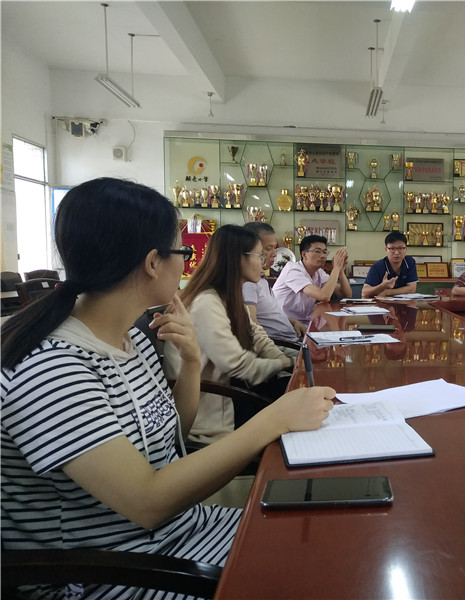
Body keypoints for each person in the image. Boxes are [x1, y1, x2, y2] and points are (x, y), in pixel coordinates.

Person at [0, 178, 334, 599]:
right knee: (316, 572)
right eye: (183, 253)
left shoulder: (131, 339)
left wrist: (192, 363)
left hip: (177, 532)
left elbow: (171, 437)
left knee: (321, 537)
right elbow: (147, 501)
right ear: (153, 263)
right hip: (113, 572)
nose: (187, 264)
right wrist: (274, 420)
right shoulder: (52, 368)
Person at [165, 225, 297, 444]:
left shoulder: (229, 295)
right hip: (212, 414)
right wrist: (290, 365)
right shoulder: (206, 302)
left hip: (232, 395)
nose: (264, 262)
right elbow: (238, 364)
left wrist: (286, 361)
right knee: (301, 408)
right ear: (238, 259)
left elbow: (257, 336)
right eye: (259, 255)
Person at [241, 221, 306, 346]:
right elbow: (252, 326)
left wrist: (292, 322)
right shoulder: (248, 283)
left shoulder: (261, 279)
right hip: (280, 344)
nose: (275, 254)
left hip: (292, 338)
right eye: (268, 249)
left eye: (274, 248)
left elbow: (268, 316)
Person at [272, 234, 352, 326]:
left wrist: (340, 271)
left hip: (304, 322)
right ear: (304, 254)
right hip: (285, 324)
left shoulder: (319, 272)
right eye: (317, 251)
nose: (323, 256)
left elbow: (346, 294)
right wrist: (336, 268)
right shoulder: (293, 271)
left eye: (325, 252)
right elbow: (324, 296)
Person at [361, 232, 419, 298]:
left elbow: (412, 289)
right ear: (386, 250)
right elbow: (364, 293)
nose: (396, 253)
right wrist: (382, 286)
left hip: (404, 302)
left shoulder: (409, 262)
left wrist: (387, 292)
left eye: (400, 248)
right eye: (392, 249)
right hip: (381, 303)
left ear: (406, 249)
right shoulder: (377, 267)